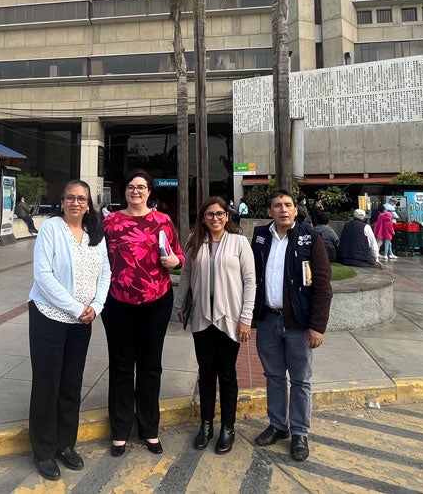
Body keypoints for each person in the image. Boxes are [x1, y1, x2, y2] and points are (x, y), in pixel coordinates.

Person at [27, 180, 111, 481]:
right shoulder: (51, 229)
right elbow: (43, 275)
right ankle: (44, 451)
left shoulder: (95, 234)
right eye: (70, 198)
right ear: (62, 201)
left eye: (82, 199)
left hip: (82, 322)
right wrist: (77, 307)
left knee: (71, 386)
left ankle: (65, 444)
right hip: (48, 317)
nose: (76, 203)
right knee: (47, 384)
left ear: (89, 204)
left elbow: (106, 273)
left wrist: (96, 306)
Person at [101, 169, 185, 456]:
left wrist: (175, 261)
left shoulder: (163, 221)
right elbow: (98, 260)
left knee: (150, 366)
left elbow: (178, 256)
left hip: (156, 301)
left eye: (141, 187)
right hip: (117, 302)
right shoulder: (110, 222)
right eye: (131, 187)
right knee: (121, 366)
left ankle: (149, 428)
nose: (136, 191)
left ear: (149, 192)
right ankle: (120, 430)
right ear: (124, 191)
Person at [250, 189, 333, 462]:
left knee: (300, 380)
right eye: (277, 206)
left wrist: (317, 326)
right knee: (274, 376)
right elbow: (251, 278)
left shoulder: (311, 238)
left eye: (288, 205)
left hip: (298, 323)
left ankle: (299, 432)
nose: (283, 209)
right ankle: (277, 425)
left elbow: (322, 286)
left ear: (296, 211)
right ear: (270, 211)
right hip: (268, 320)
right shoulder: (261, 237)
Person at [174, 197, 256, 455]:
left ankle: (228, 428)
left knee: (227, 374)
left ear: (227, 216)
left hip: (229, 318)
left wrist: (246, 318)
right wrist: (180, 304)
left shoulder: (239, 242)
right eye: (209, 214)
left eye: (220, 214)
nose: (215, 218)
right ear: (203, 217)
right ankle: (206, 425)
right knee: (206, 373)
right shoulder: (195, 242)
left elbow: (250, 281)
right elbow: (186, 274)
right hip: (202, 318)